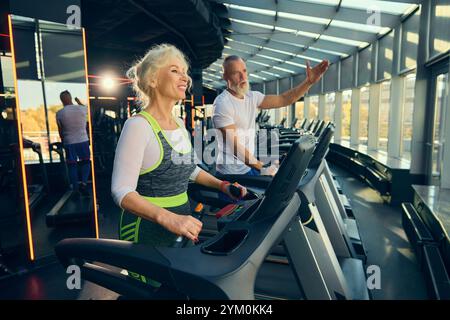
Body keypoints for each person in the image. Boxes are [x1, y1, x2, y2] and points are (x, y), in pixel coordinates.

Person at [111, 44, 246, 286]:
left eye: (185, 71)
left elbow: (189, 169)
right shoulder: (138, 127)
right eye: (175, 70)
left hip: (180, 224)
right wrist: (168, 218)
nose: (185, 77)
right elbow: (122, 192)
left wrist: (222, 185)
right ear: (153, 79)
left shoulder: (179, 124)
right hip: (146, 229)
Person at [212, 55, 329, 176]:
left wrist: (308, 82)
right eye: (236, 73)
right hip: (231, 174)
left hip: (248, 167)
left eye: (244, 71)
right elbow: (235, 148)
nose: (243, 77)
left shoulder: (252, 97)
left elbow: (284, 99)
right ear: (225, 77)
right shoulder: (222, 104)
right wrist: (263, 168)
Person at [56, 91, 91, 195]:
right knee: (85, 162)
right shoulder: (81, 108)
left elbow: (60, 130)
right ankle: (84, 183)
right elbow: (87, 109)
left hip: (69, 141)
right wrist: (78, 101)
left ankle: (75, 188)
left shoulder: (59, 113)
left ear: (61, 100)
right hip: (82, 140)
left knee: (72, 165)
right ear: (70, 98)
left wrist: (63, 141)